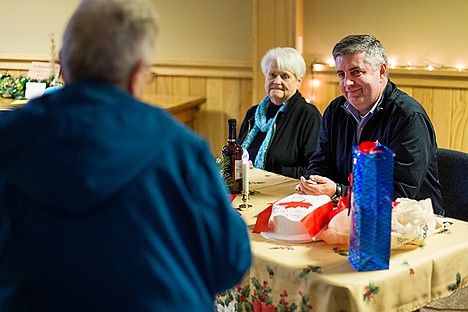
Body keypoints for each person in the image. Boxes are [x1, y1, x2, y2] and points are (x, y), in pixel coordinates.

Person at [0, 0, 251, 311]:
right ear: (136, 74)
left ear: (63, 64)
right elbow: (229, 262)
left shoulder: (9, 141)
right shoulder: (180, 148)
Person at [296, 34, 443, 213]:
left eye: (356, 72)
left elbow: (400, 192)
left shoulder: (409, 117)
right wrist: (313, 183)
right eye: (341, 74)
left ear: (381, 71)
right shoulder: (336, 110)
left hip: (409, 221)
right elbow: (321, 161)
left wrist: (338, 192)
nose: (347, 83)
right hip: (348, 211)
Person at [238, 47, 322, 179]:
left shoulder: (308, 115)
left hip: (285, 192)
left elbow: (312, 170)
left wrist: (263, 173)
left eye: (285, 76)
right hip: (246, 188)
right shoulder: (252, 113)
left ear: (298, 81)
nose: (277, 81)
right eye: (272, 75)